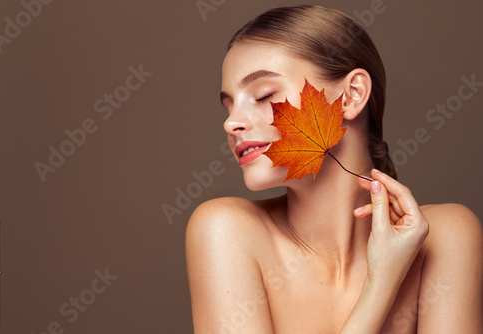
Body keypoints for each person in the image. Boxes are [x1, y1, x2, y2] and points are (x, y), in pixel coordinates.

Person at [185, 5, 483, 333]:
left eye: (264, 95)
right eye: (229, 106)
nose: (231, 122)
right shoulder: (225, 231)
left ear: (351, 96)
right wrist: (381, 284)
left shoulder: (446, 237)